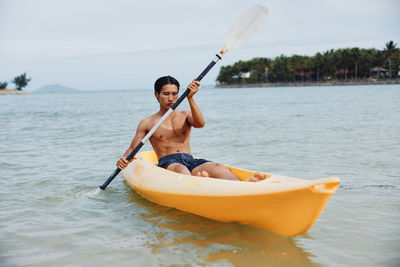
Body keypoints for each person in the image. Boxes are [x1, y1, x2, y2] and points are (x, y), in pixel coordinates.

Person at [116, 75, 265, 182]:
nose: (171, 98)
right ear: (157, 95)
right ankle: (200, 183)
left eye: (175, 94)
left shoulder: (185, 115)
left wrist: (191, 98)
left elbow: (200, 124)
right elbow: (132, 149)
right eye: (166, 94)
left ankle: (243, 186)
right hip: (169, 163)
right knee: (182, 171)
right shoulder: (148, 122)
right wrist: (124, 160)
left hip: (190, 160)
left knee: (218, 167)